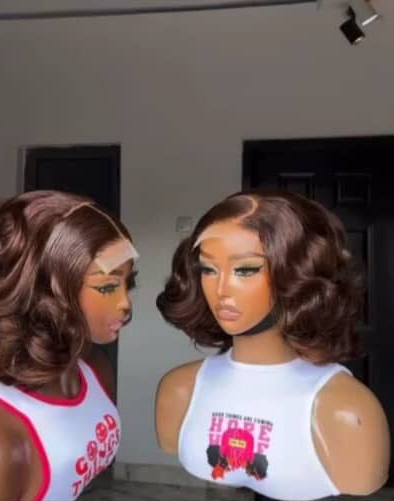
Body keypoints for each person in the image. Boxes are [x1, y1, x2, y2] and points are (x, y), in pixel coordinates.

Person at [155, 190, 390, 501]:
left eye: (245, 270)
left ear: (297, 273)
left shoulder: (345, 412)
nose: (221, 289)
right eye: (208, 269)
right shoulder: (179, 390)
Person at [0, 190, 139, 501]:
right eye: (107, 286)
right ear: (46, 289)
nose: (126, 304)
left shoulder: (93, 369)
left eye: (128, 283)